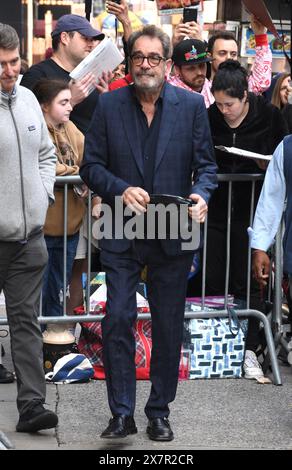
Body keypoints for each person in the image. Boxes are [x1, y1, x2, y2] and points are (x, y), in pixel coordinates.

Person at [80, 25, 217, 441]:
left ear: (168, 63)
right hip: (121, 223)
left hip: (173, 224)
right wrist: (120, 189)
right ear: (129, 61)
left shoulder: (192, 106)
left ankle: (159, 410)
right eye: (138, 57)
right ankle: (122, 412)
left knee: (168, 322)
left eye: (154, 58)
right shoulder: (108, 106)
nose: (146, 65)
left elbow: (207, 166)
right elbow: (91, 168)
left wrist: (200, 194)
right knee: (117, 316)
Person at [206, 60, 288, 380]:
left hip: (254, 212)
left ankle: (251, 348)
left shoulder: (269, 116)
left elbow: (282, 158)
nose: (224, 110)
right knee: (213, 277)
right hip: (216, 209)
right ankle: (217, 345)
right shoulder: (210, 116)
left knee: (252, 283)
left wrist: (265, 164)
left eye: (229, 104)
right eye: (219, 104)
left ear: (245, 97)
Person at [0, 24, 58, 431]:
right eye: (1, 64)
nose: (9, 70)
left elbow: (47, 154)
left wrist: (44, 194)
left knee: (25, 325)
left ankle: (32, 408)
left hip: (29, 240)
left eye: (14, 61)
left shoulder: (29, 103)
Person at [32, 79, 86, 321]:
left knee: (57, 291)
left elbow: (89, 159)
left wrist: (80, 173)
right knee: (37, 293)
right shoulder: (33, 129)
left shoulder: (70, 128)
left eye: (69, 101)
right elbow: (42, 166)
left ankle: (53, 347)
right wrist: (75, 172)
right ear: (44, 106)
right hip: (41, 228)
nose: (70, 107)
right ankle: (36, 346)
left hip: (69, 229)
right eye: (63, 102)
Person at [21, 14, 106, 134]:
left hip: (92, 151)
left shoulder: (88, 75)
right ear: (65, 38)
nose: (91, 44)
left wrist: (106, 98)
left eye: (92, 39)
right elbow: (27, 123)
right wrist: (71, 100)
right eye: (85, 38)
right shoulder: (37, 74)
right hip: (58, 151)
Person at [207, 14, 272, 95]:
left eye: (233, 54)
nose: (229, 58)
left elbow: (261, 83)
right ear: (209, 57)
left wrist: (260, 35)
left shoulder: (242, 87)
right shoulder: (201, 87)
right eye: (222, 53)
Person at [168, 38, 214, 108]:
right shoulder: (169, 95)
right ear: (177, 69)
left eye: (202, 66)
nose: (199, 72)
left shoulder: (212, 88)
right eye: (191, 68)